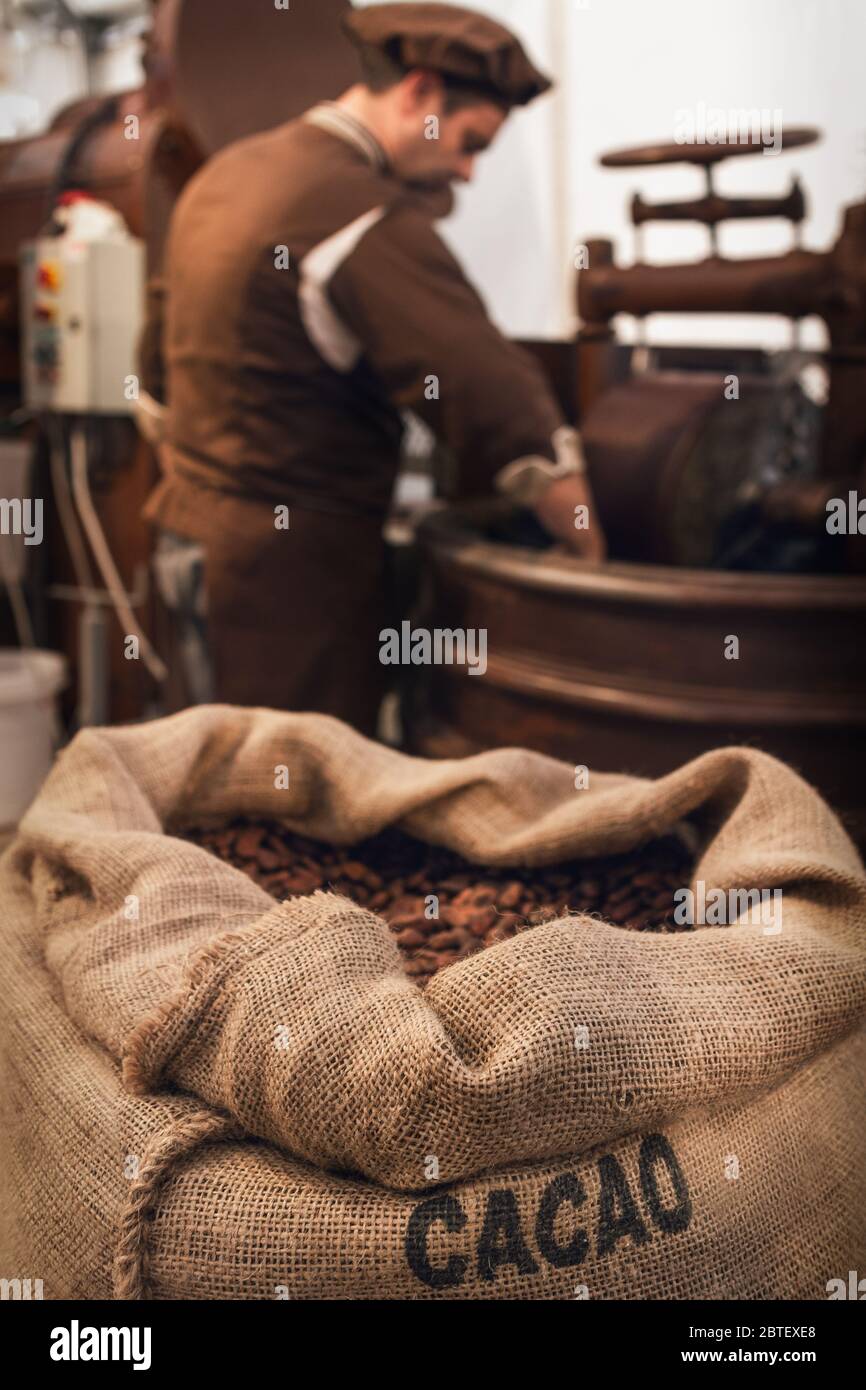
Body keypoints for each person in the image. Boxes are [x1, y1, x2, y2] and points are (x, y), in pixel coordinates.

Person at [143, 1, 607, 735]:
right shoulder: (356, 211)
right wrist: (578, 519)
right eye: (469, 142)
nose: (467, 171)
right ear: (420, 93)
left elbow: (157, 360)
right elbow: (479, 380)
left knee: (206, 776)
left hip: (187, 538)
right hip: (291, 577)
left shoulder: (229, 173)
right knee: (294, 805)